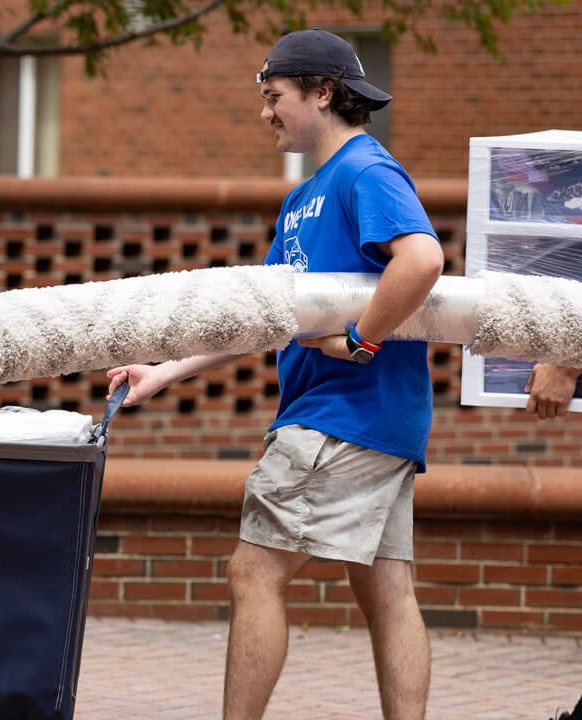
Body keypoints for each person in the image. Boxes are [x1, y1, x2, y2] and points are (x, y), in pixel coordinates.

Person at [107, 29, 444, 720]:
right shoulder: (303, 199)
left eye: (275, 97)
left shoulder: (364, 171)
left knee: (254, 568)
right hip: (373, 421)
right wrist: (163, 372)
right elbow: (265, 316)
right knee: (386, 589)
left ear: (324, 94)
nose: (266, 113)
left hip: (341, 416)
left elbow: (423, 259)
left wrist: (358, 341)